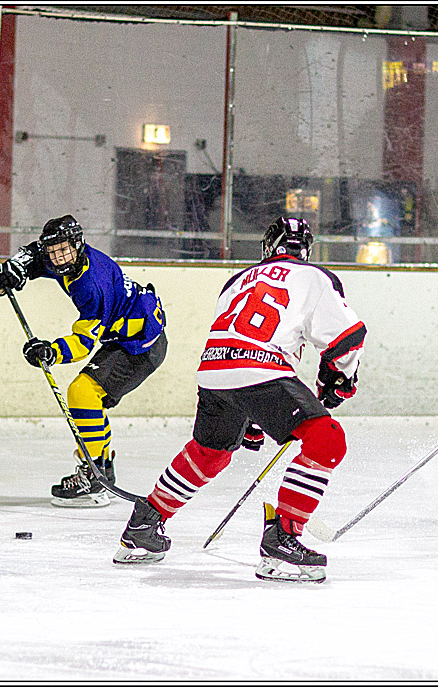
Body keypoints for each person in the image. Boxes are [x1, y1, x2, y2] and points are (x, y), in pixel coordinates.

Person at [112, 217, 366, 583]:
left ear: (268, 248)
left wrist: (249, 415)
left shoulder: (237, 279)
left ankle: (145, 522)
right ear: (304, 250)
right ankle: (283, 537)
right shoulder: (314, 276)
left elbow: (235, 334)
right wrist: (338, 378)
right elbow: (346, 337)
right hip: (260, 370)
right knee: (327, 440)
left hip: (215, 371)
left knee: (209, 451)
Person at [0, 215, 167, 507]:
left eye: (64, 250)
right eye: (54, 251)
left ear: (78, 244)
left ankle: (95, 475)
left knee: (83, 393)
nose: (58, 259)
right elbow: (36, 254)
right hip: (130, 337)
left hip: (140, 348)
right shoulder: (71, 257)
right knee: (85, 394)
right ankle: (102, 469)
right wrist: (16, 269)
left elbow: (84, 342)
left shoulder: (90, 285)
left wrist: (51, 352)